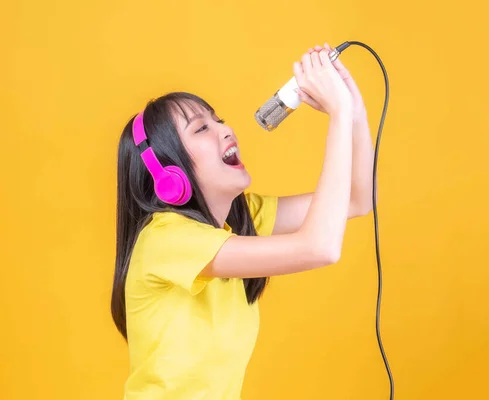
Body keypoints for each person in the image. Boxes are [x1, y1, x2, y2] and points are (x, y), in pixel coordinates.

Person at [110, 43, 375, 399]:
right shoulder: (166, 239)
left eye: (218, 120)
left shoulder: (239, 219)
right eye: (201, 129)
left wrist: (354, 111)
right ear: (170, 175)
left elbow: (358, 199)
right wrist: (339, 115)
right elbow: (320, 247)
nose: (225, 129)